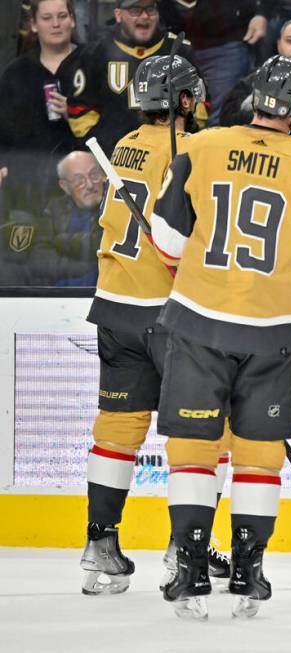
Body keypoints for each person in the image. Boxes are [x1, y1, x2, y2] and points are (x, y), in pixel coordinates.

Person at [150, 55, 291, 620]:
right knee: (257, 454)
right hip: (271, 334)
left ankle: (192, 565)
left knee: (195, 452)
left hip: (198, 323)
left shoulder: (199, 149)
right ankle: (248, 570)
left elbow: (167, 247)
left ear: (255, 100)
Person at [79, 54, 210, 595]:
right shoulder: (190, 151)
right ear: (183, 100)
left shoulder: (126, 143)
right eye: (194, 95)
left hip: (114, 304)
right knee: (201, 435)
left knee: (117, 429)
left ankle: (99, 549)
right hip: (166, 310)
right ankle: (186, 551)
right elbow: (189, 237)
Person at [64, 0, 198, 155]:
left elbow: (199, 105)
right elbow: (79, 110)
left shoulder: (180, 51)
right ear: (118, 15)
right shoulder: (94, 54)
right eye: (135, 10)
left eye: (150, 9)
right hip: (111, 160)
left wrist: (179, 142)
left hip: (168, 157)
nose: (144, 16)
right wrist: (101, 151)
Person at [0, 0, 82, 217]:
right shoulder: (15, 73)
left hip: (82, 189)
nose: (56, 24)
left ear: (72, 20)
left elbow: (110, 127)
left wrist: (74, 113)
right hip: (27, 188)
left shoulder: (93, 64)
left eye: (62, 16)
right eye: (47, 18)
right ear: (34, 24)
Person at [157, 0, 271, 122]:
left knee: (219, 113)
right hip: (170, 37)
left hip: (223, 40)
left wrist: (262, 12)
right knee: (164, 106)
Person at [42, 150, 105, 285]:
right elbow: (41, 260)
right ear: (65, 186)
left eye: (94, 175)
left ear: (103, 175)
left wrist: (59, 241)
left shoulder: (115, 207)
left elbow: (102, 244)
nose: (89, 185)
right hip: (56, 298)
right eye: (79, 180)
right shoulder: (54, 209)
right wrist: (86, 266)